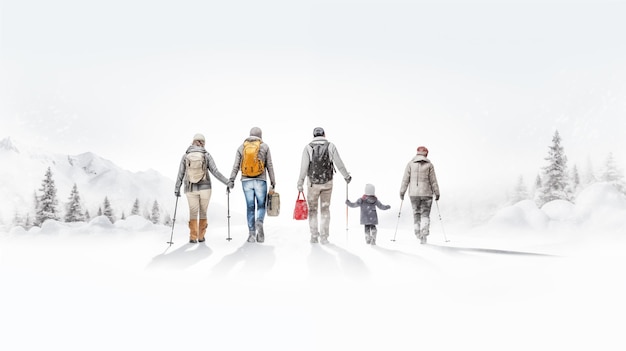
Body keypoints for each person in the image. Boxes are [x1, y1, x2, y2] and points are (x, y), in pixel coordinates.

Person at [297, 127, 351, 244]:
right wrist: (346, 176)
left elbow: (303, 168)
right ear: (324, 134)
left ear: (313, 135)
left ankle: (314, 236)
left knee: (313, 210)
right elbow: (339, 163)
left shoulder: (308, 148)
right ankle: (324, 237)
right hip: (327, 183)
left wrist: (300, 183)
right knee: (325, 209)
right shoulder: (331, 146)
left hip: (312, 184)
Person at [175, 133, 230, 243]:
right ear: (203, 143)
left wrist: (177, 188)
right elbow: (215, 172)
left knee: (193, 212)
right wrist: (227, 182)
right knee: (203, 212)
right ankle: (201, 236)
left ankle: (193, 237)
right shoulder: (206, 155)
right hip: (205, 187)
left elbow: (180, 173)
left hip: (190, 188)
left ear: (193, 142)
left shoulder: (185, 155)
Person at [228, 127, 276, 243]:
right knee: (261, 205)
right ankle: (259, 221)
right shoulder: (264, 146)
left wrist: (231, 180)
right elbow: (269, 165)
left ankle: (251, 234)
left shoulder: (242, 147)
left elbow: (236, 166)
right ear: (260, 135)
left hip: (246, 181)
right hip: (261, 180)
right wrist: (273, 181)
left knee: (250, 207)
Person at [399, 146, 440, 244]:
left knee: (416, 213)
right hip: (427, 193)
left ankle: (417, 232)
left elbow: (405, 179)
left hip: (413, 194)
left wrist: (402, 192)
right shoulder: (429, 165)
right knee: (425, 213)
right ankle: (424, 231)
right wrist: (437, 192)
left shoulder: (410, 164)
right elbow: (433, 181)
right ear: (426, 154)